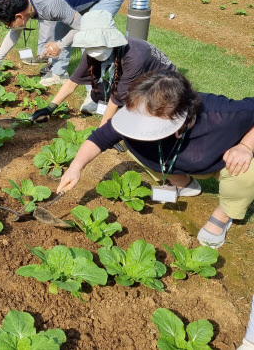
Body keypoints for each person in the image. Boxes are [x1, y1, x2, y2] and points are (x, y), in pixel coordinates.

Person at [56, 70, 254, 249]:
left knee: (246, 170)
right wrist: (75, 167)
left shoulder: (223, 113)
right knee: (130, 143)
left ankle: (224, 213)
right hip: (176, 160)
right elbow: (99, 138)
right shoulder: (138, 107)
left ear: (181, 118)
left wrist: (246, 146)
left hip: (221, 162)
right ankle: (183, 184)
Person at [0, 0, 125, 87]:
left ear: (19, 16)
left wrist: (60, 45)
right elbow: (15, 32)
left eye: (8, 24)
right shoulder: (26, 1)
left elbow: (83, 27)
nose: (9, 28)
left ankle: (94, 90)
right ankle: (59, 73)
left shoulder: (51, 5)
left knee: (90, 36)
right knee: (61, 27)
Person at [31, 10, 175, 124]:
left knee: (144, 115)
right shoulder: (91, 52)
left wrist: (102, 133)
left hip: (163, 84)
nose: (94, 51)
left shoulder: (134, 56)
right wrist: (50, 107)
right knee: (97, 92)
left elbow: (117, 96)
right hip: (136, 80)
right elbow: (73, 81)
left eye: (98, 45)